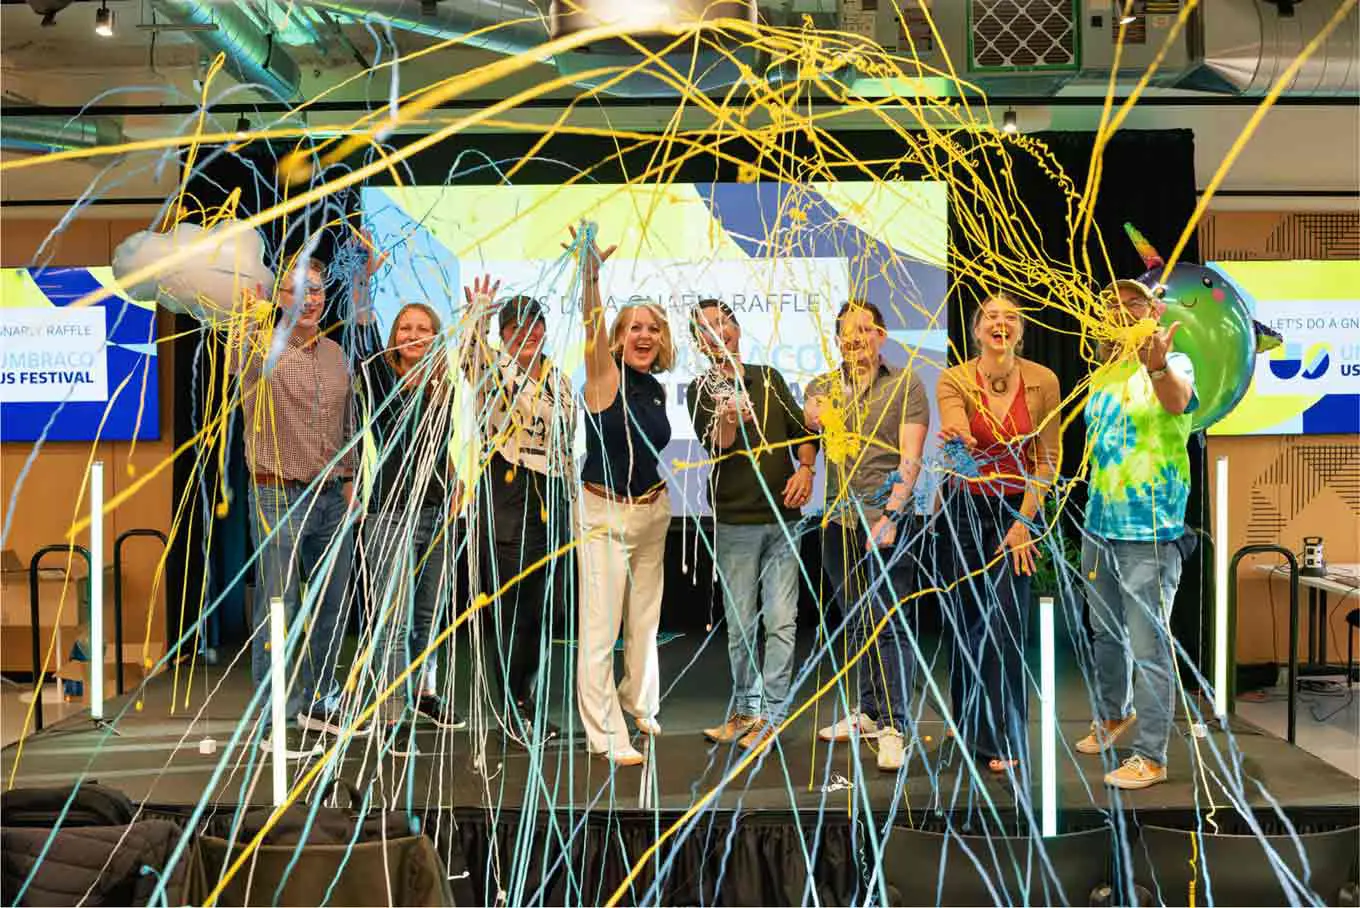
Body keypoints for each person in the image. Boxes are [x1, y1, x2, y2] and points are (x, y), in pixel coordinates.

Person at [237, 252, 369, 748]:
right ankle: (274, 713)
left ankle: (317, 702)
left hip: (333, 497)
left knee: (332, 606)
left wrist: (352, 477)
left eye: (316, 289)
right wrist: (249, 318)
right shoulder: (257, 346)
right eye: (298, 289)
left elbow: (349, 423)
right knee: (279, 607)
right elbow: (237, 361)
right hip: (276, 496)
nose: (310, 299)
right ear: (279, 296)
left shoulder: (337, 354)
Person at [1074, 278, 1197, 790]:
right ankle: (1112, 714)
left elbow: (1178, 401)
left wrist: (1156, 363)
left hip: (1148, 529)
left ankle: (1151, 755)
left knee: (1148, 646)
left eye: (1133, 304)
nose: (1122, 313)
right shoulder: (1102, 375)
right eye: (1114, 307)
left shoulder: (1176, 363)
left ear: (1153, 312)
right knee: (1106, 632)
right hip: (1099, 524)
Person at [936, 293, 1061, 774]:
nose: (1000, 323)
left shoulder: (1044, 381)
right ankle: (968, 724)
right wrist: (959, 440)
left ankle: (1002, 736)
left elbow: (1048, 460)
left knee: (1004, 624)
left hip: (1018, 510)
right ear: (976, 329)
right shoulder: (955, 379)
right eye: (991, 316)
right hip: (965, 505)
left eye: (1010, 317)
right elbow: (952, 432)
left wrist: (1023, 524)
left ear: (1021, 330)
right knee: (966, 623)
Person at [804, 300, 930, 772]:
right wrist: (818, 412)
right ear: (836, 338)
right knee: (857, 620)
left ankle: (896, 725)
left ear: (881, 334)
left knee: (889, 622)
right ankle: (870, 712)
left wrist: (891, 514)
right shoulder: (823, 386)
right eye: (845, 331)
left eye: (864, 329)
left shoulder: (907, 384)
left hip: (886, 518)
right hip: (839, 521)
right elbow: (813, 418)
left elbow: (910, 458)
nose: (854, 338)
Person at [687, 299, 817, 750]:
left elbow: (804, 431)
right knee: (741, 623)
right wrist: (727, 418)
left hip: (783, 520)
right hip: (735, 522)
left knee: (782, 621)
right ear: (698, 342)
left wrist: (806, 470)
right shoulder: (700, 388)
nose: (718, 332)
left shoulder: (769, 377)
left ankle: (773, 717)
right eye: (706, 328)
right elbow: (717, 444)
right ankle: (747, 710)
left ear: (737, 328)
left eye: (724, 322)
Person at [573, 226, 674, 767]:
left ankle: (639, 703)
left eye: (653, 328)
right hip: (603, 514)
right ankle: (607, 732)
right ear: (616, 336)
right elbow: (590, 322)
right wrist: (591, 277)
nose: (644, 335)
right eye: (635, 327)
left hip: (652, 513)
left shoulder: (655, 387)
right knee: (601, 628)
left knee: (643, 621)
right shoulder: (602, 375)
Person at [461, 275, 576, 744]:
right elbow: (471, 357)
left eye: (535, 324)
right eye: (515, 327)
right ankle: (513, 705)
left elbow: (566, 443)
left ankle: (522, 696)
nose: (527, 333)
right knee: (512, 610)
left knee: (538, 609)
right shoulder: (494, 370)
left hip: (550, 499)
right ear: (503, 334)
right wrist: (479, 317)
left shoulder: (561, 379)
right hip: (508, 497)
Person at [355, 298, 466, 733]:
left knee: (429, 614)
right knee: (394, 616)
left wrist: (454, 477)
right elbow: (364, 341)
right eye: (405, 328)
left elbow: (439, 446)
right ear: (394, 339)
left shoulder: (444, 386)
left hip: (438, 512)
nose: (413, 334)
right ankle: (392, 708)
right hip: (392, 512)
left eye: (423, 327)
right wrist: (363, 288)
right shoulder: (382, 379)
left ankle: (424, 693)